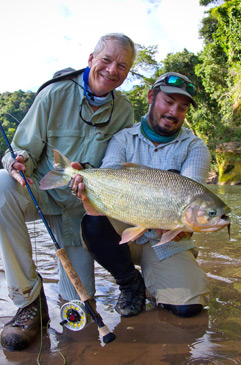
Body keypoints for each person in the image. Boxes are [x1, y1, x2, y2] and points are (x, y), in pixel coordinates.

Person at [0, 33, 136, 351]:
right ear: (90, 59)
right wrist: (17, 161)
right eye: (106, 60)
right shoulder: (53, 94)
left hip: (80, 208)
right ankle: (28, 303)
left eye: (123, 66)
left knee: (77, 313)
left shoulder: (124, 110)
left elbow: (114, 169)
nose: (113, 70)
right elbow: (23, 149)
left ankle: (63, 308)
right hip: (40, 191)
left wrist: (90, 180)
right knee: (1, 186)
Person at [74, 71, 211, 319]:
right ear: (151, 97)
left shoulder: (195, 147)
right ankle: (129, 284)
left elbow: (194, 194)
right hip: (123, 230)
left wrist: (184, 226)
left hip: (167, 240)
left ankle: (154, 278)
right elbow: (108, 176)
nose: (173, 113)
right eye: (168, 102)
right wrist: (85, 181)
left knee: (187, 309)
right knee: (93, 223)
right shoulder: (123, 138)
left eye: (182, 108)